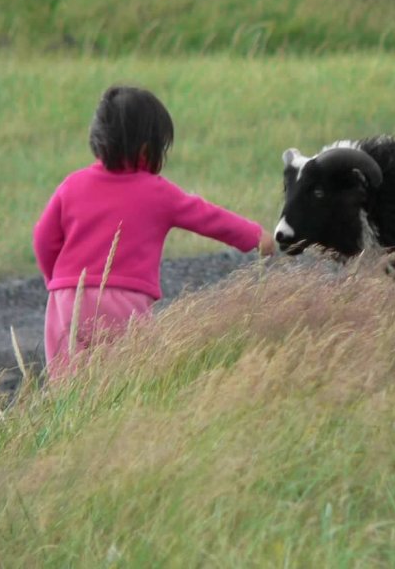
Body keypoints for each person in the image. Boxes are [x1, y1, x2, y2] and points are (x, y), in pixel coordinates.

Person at [33, 85, 275, 377]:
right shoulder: (158, 193)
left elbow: (43, 239)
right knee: (128, 380)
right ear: (148, 149)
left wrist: (59, 280)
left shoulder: (72, 185)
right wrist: (254, 236)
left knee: (66, 383)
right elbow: (208, 218)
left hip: (66, 298)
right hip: (122, 302)